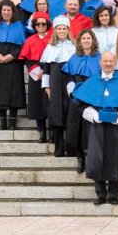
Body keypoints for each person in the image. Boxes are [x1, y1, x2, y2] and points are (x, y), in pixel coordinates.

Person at [74, 51, 118, 205]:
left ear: (115, 63)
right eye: (105, 61)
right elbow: (81, 104)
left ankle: (114, 194)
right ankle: (100, 194)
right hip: (97, 127)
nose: (108, 64)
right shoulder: (92, 81)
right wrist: (93, 114)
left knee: (117, 158)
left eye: (111, 61)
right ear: (100, 62)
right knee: (97, 158)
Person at [0, 0, 30, 130]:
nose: (6, 12)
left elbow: (23, 45)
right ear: (0, 11)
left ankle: (13, 121)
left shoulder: (20, 27)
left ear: (13, 11)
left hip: (13, 64)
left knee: (14, 91)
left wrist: (12, 56)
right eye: (4, 10)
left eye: (9, 10)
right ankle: (2, 121)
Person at [62, 29, 101, 172]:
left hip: (93, 95)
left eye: (89, 38)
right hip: (77, 95)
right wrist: (72, 92)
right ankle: (80, 158)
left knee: (91, 126)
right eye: (84, 38)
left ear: (93, 41)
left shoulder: (100, 57)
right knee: (76, 125)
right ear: (79, 41)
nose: (86, 41)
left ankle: (92, 157)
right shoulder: (74, 58)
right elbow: (69, 78)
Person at [42, 17, 77, 153]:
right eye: (59, 28)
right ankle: (58, 148)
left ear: (68, 30)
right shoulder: (50, 47)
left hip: (69, 81)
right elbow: (46, 69)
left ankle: (70, 147)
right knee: (56, 112)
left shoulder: (74, 46)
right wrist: (46, 87)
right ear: (55, 30)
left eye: (64, 28)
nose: (61, 31)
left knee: (70, 113)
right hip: (55, 82)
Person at [17, 11, 53, 143]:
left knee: (50, 103)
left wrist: (47, 71)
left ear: (47, 25)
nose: (41, 26)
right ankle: (41, 131)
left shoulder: (53, 40)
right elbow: (26, 59)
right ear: (35, 25)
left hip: (51, 74)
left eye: (43, 24)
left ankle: (52, 131)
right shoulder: (30, 40)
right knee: (38, 103)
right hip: (36, 76)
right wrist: (36, 71)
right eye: (38, 24)